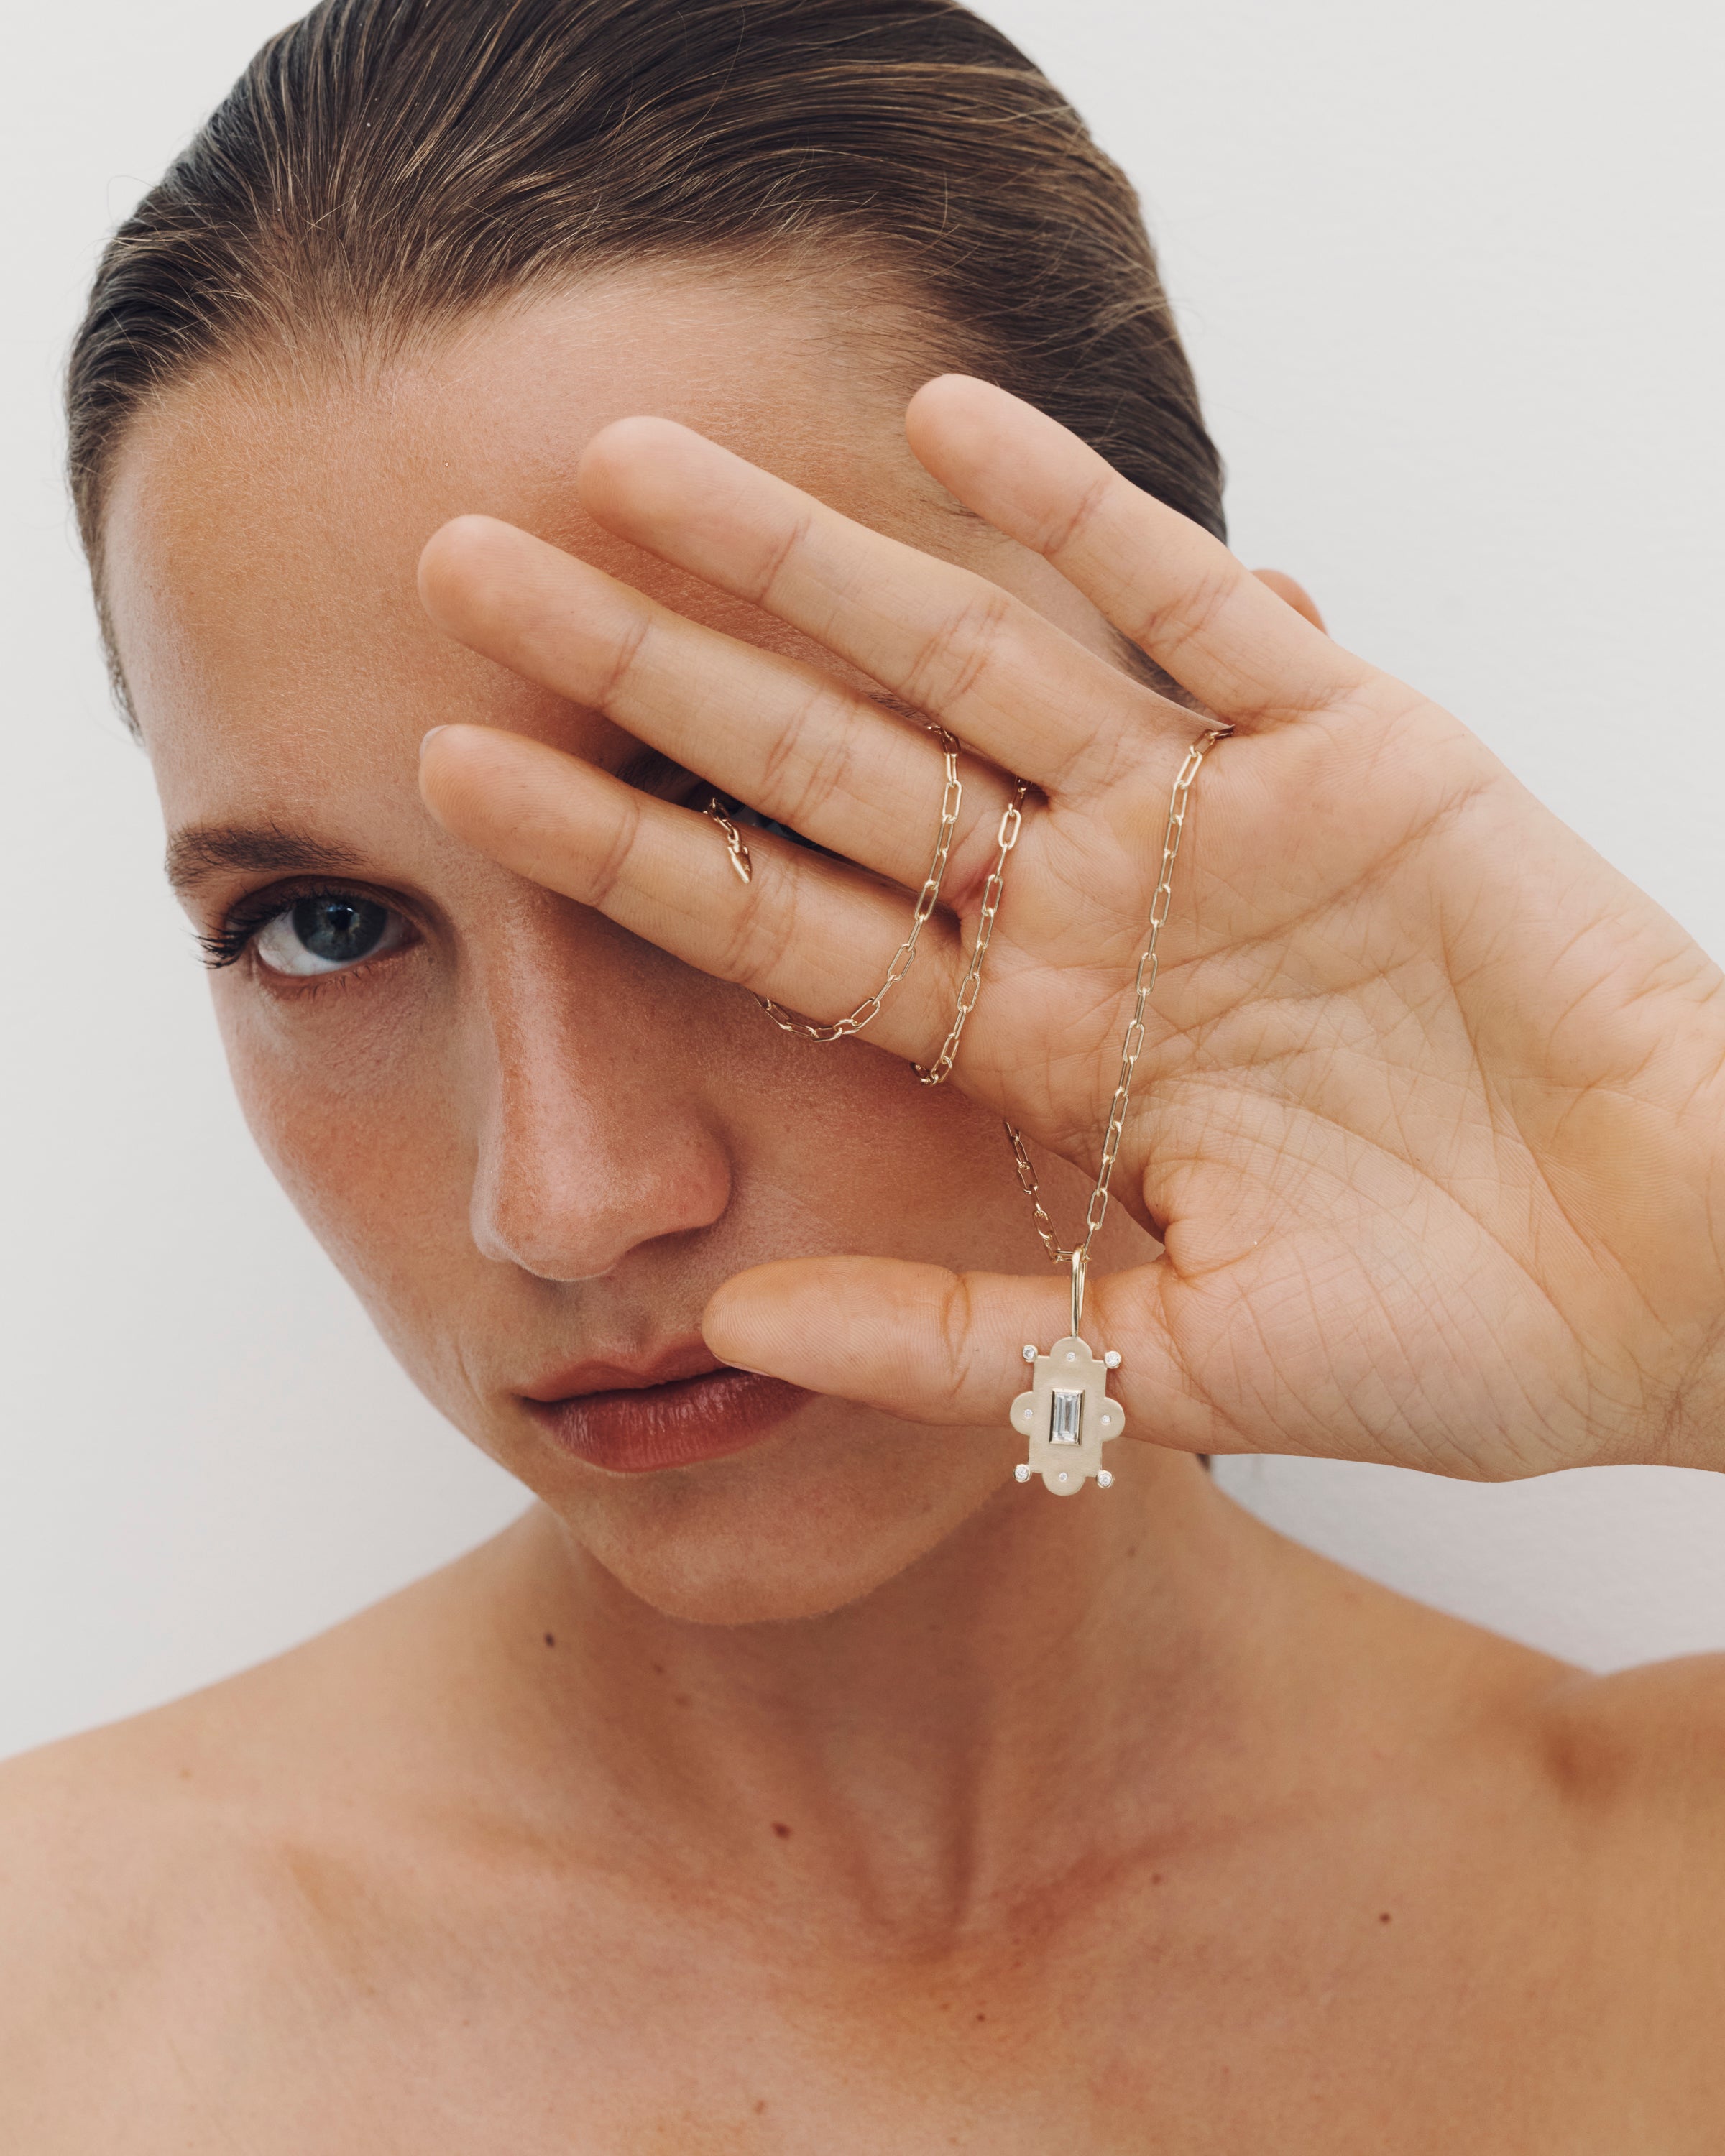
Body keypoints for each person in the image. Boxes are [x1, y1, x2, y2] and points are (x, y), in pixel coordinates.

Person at [4, 0, 1724, 2144]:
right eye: (323, 927)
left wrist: (1693, 1276)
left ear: (1219, 767)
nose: (565, 1192)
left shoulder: (1681, 1909)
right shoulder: (51, 2011)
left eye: (750, 830)